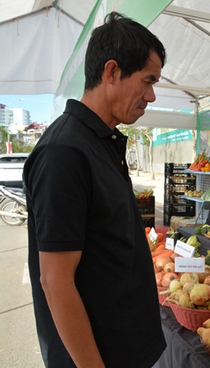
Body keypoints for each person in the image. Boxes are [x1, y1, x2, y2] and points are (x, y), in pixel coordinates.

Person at [23, 12, 167, 368]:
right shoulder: (65, 152)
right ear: (112, 71)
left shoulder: (101, 141)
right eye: (147, 80)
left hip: (126, 348)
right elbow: (55, 282)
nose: (151, 95)